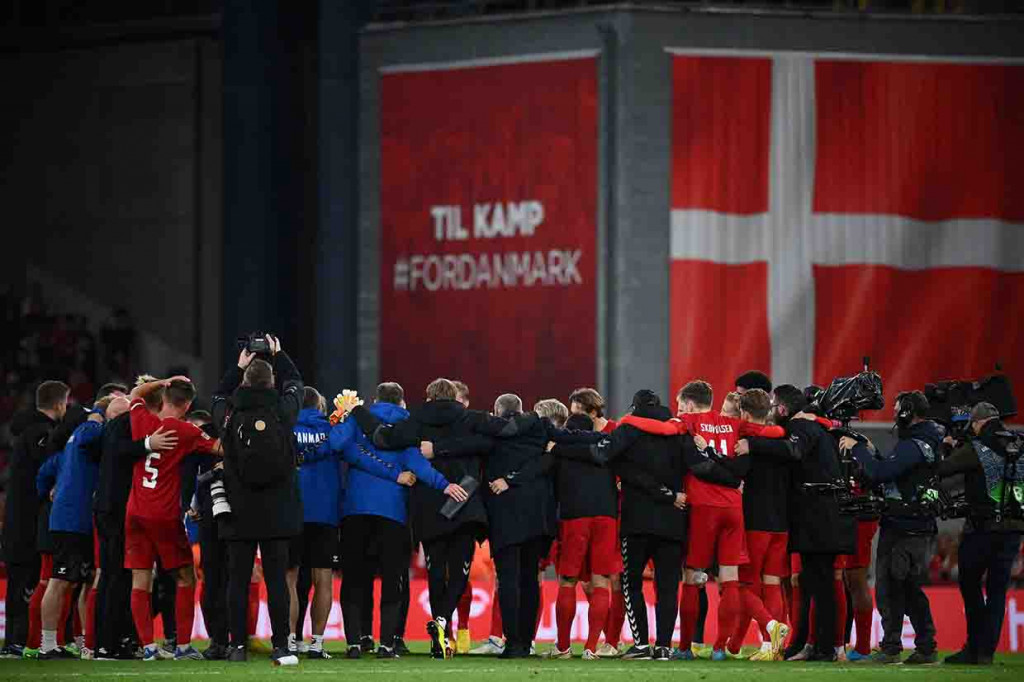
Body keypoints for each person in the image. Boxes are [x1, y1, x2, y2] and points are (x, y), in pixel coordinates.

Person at [618, 380, 788, 661]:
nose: (678, 410)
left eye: (680, 405)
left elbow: (662, 429)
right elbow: (773, 431)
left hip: (703, 508)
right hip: (734, 508)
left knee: (693, 578)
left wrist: (627, 420)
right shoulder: (734, 424)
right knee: (731, 579)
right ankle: (721, 647)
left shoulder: (688, 423)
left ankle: (686, 647)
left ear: (689, 404)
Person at [337, 382, 468, 659]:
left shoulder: (357, 420)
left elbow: (345, 449)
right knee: (392, 579)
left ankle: (354, 643)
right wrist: (445, 485)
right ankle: (387, 644)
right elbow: (418, 463)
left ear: (375, 400)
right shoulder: (408, 426)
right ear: (402, 403)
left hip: (355, 510)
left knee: (354, 577)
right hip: (393, 513)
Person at [211, 337, 304, 665]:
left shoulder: (229, 412)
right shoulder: (283, 411)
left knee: (237, 580)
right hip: (277, 509)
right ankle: (281, 645)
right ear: (272, 381)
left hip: (239, 508)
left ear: (245, 380)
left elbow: (218, 395)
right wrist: (280, 354)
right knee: (277, 581)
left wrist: (237, 367)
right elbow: (296, 384)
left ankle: (237, 646)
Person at [127, 376, 222, 662]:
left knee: (140, 579)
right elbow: (219, 448)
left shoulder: (142, 419)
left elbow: (135, 393)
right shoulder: (186, 431)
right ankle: (182, 646)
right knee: (185, 577)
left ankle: (147, 647)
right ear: (188, 404)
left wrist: (164, 380)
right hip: (164, 515)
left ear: (164, 397)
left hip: (135, 512)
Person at [843, 391, 940, 665]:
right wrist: (873, 452)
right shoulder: (924, 442)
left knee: (891, 589)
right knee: (909, 590)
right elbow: (893, 472)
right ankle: (925, 647)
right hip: (915, 525)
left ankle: (892, 647)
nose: (895, 414)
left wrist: (857, 449)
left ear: (909, 411)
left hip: (904, 527)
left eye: (898, 409)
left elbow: (880, 474)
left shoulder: (913, 445)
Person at [759, 385, 854, 662]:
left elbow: (793, 450)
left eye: (773, 405)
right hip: (821, 514)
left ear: (783, 409)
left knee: (821, 583)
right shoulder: (814, 428)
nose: (772, 410)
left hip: (820, 515)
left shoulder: (801, 427)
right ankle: (815, 644)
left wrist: (753, 443)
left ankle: (824, 647)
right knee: (816, 582)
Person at [937, 402, 1024, 666]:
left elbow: (943, 469)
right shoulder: (1018, 444)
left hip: (982, 528)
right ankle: (986, 652)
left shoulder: (976, 447)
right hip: (1014, 529)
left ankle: (974, 647)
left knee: (970, 584)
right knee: (997, 591)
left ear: (978, 423)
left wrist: (947, 447)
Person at [94, 382, 176, 660]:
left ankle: (112, 641)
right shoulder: (128, 423)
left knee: (113, 576)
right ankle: (112, 643)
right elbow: (119, 450)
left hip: (109, 506)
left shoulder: (121, 423)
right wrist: (147, 444)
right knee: (118, 576)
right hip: (116, 509)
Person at [37, 396, 117, 660]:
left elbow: (44, 472)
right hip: (73, 520)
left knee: (84, 581)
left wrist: (52, 489)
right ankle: (48, 645)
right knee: (60, 580)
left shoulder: (70, 448)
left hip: (73, 519)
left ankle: (85, 643)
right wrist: (96, 418)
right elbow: (88, 436)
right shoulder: (89, 431)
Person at [543, 409, 620, 660]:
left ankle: (563, 647)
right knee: (601, 582)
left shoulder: (560, 451)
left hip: (574, 518)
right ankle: (591, 648)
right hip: (606, 518)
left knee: (568, 581)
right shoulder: (607, 447)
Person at [0, 381, 69, 658]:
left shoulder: (25, 430)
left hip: (17, 519)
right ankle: (17, 642)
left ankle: (16, 642)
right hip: (28, 522)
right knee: (25, 583)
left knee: (20, 582)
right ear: (59, 404)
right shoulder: (42, 433)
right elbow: (46, 469)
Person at [728, 388, 795, 661]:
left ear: (744, 413)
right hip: (781, 522)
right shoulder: (782, 440)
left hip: (755, 521)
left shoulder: (746, 441)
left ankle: (770, 627)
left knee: (744, 585)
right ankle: (770, 648)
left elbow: (736, 473)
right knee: (772, 582)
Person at [567, 387, 624, 656]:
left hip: (613, 512)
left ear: (592, 411)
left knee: (614, 578)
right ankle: (605, 637)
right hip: (588, 511)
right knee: (588, 581)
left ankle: (613, 640)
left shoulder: (615, 432)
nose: (574, 418)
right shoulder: (576, 434)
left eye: (578, 411)